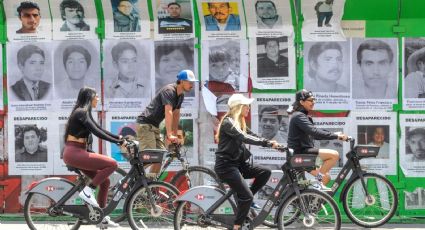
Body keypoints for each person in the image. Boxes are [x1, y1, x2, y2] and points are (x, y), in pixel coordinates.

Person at [62, 87, 125, 227]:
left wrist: (119, 138)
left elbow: (100, 129)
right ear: (90, 97)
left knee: (105, 182)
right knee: (113, 164)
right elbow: (97, 132)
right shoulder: (81, 112)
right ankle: (88, 191)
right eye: (96, 96)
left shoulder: (85, 113)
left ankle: (101, 217)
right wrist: (117, 141)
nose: (98, 99)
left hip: (77, 152)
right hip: (74, 153)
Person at [214, 93, 278, 230]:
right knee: (247, 196)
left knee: (265, 172)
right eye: (246, 105)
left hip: (238, 165)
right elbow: (243, 137)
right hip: (226, 167)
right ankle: (237, 226)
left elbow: (252, 135)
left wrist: (272, 144)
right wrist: (266, 144)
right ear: (239, 107)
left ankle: (245, 198)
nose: (248, 108)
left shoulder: (239, 122)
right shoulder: (228, 122)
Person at [136, 70, 197, 175]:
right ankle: (134, 175)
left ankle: (151, 186)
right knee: (151, 157)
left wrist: (174, 135)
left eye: (193, 82)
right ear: (181, 81)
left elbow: (176, 114)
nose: (192, 85)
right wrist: (169, 134)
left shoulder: (180, 95)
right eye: (190, 82)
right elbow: (168, 112)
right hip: (145, 124)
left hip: (154, 126)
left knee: (159, 157)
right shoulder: (169, 90)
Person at [287, 89, 348, 189]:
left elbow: (314, 134)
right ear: (302, 102)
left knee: (326, 178)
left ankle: (314, 204)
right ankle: (318, 181)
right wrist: (336, 136)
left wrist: (333, 134)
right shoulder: (298, 116)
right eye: (310, 100)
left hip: (303, 152)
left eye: (314, 100)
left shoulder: (303, 116)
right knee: (334, 155)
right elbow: (314, 132)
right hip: (299, 154)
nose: (313, 102)